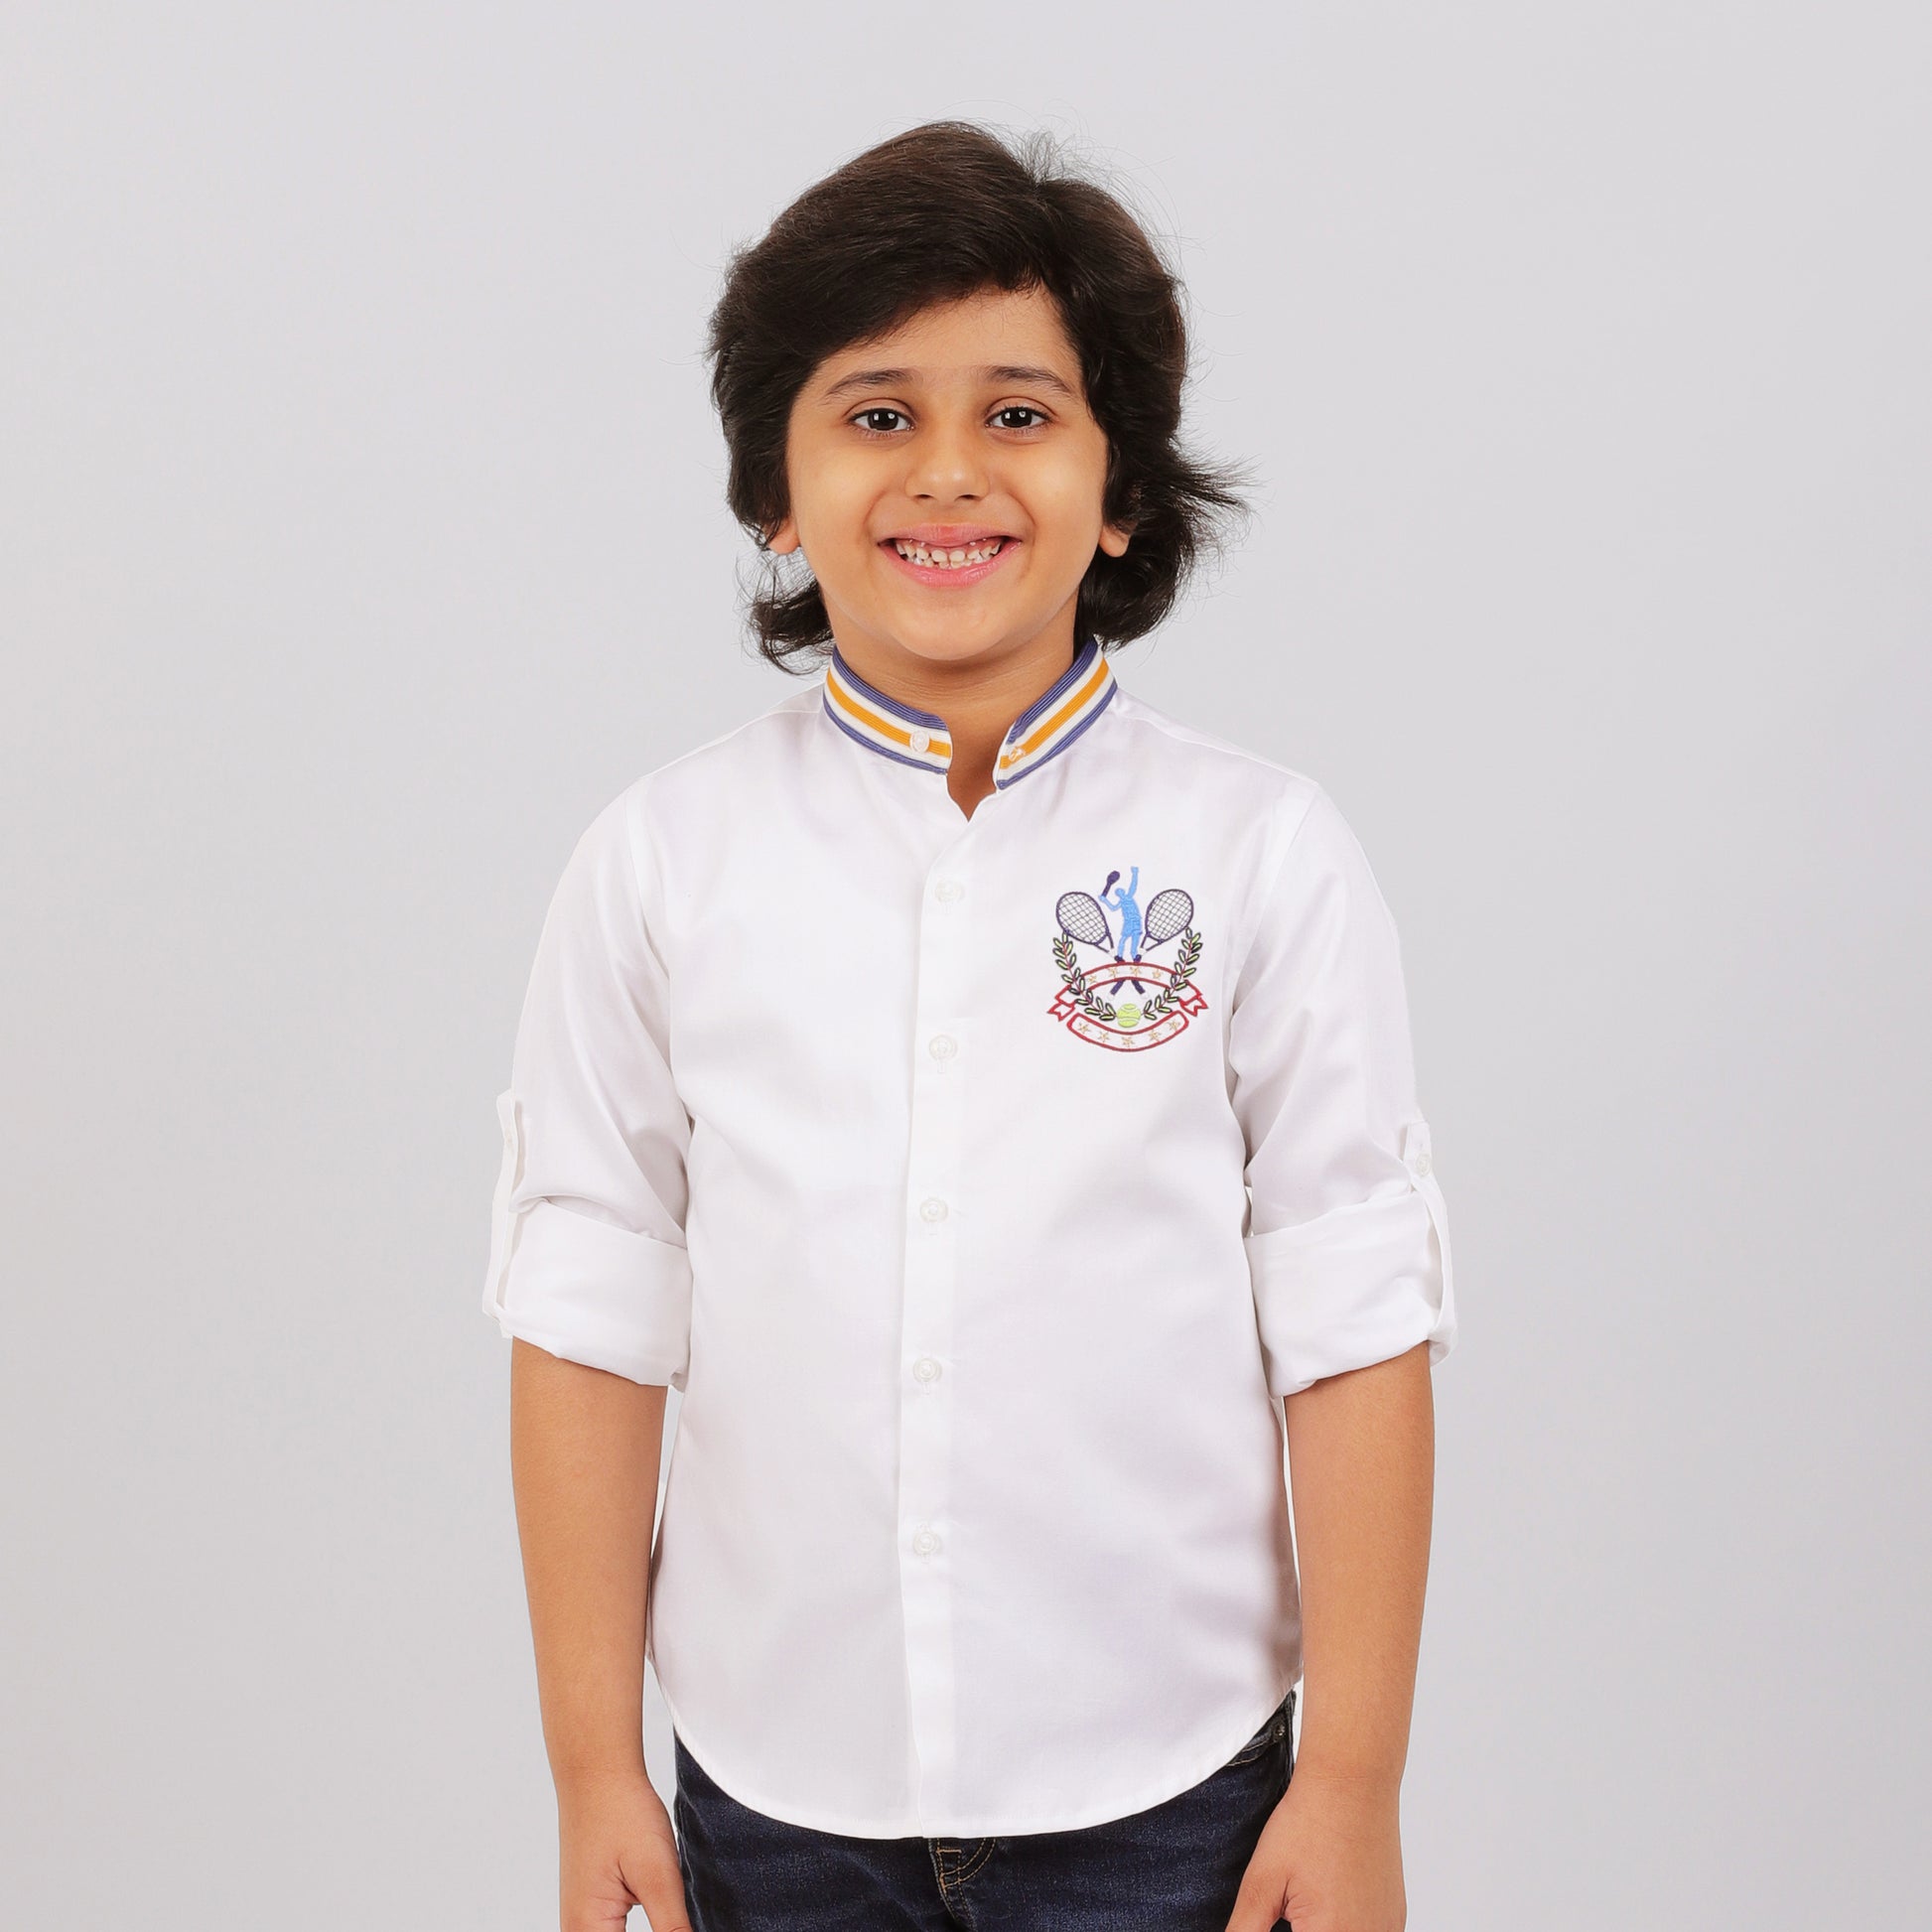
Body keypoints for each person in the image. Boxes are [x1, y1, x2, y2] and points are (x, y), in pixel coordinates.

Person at [483, 119, 1457, 1932]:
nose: (947, 472)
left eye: (1018, 412)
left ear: (1121, 487)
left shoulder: (1262, 854)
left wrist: (1351, 1781)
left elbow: (1350, 1324)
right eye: (875, 413)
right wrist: (592, 1765)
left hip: (1169, 1788)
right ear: (775, 494)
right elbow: (591, 1315)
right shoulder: (660, 864)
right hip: (773, 1788)